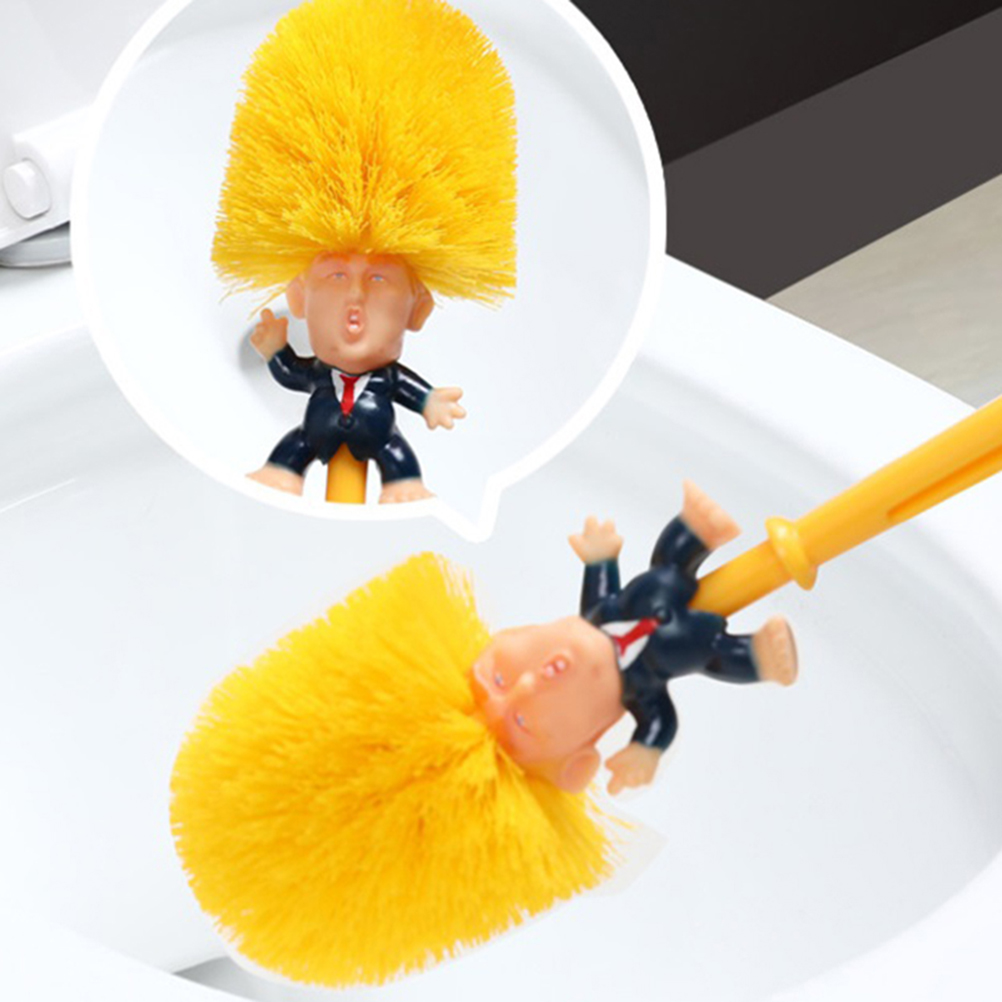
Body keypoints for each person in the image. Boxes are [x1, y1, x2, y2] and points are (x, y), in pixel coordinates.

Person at [471, 482, 798, 794]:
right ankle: (760, 656)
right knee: (714, 654)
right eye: (522, 721)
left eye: (500, 679)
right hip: (689, 643)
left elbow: (601, 585)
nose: (527, 684)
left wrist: (600, 558)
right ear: (581, 753)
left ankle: (698, 527)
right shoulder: (640, 691)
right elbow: (661, 720)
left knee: (669, 563)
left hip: (657, 587)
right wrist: (646, 751)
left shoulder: (600, 611)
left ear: (519, 633)